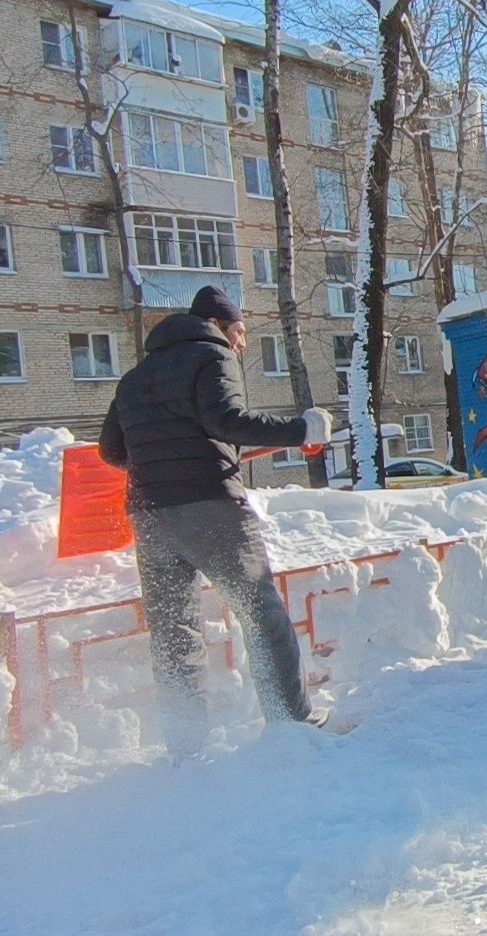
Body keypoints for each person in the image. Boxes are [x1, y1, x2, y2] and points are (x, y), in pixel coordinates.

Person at [99, 286, 336, 754]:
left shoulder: (135, 376)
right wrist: (302, 428)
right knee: (260, 613)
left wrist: (162, 458)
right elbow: (226, 420)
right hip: (210, 505)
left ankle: (185, 747)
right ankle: (292, 723)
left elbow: (112, 450)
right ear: (221, 326)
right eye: (241, 332)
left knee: (174, 631)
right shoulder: (212, 356)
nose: (243, 344)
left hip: (150, 515)